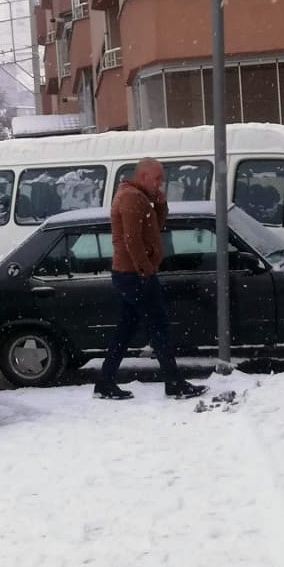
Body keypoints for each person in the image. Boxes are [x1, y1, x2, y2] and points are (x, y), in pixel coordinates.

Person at [95, 158, 206, 402]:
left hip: (128, 273)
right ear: (143, 176)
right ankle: (174, 383)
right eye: (157, 179)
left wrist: (160, 204)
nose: (160, 183)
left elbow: (155, 228)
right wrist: (145, 270)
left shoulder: (139, 196)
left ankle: (105, 381)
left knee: (127, 328)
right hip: (134, 274)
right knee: (159, 327)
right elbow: (131, 240)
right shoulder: (132, 198)